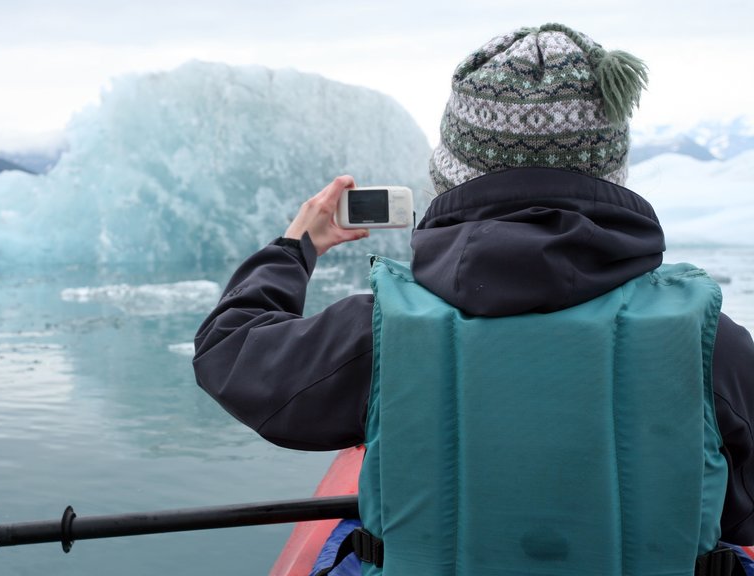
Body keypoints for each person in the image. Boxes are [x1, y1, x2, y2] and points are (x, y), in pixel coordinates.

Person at [192, 23, 754, 575]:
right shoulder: (710, 345)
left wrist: (297, 246)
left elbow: (229, 352)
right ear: (612, 174)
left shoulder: (380, 335)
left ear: (453, 174)